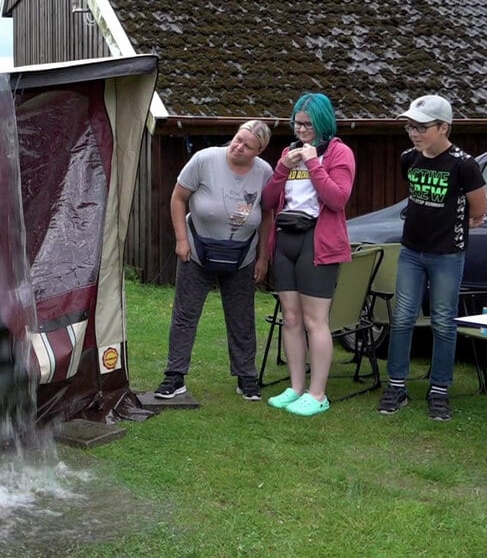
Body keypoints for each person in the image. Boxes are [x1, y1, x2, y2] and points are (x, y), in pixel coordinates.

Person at [377, 95, 487, 421]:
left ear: (443, 127)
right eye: (411, 126)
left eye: (422, 127)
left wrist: (447, 229)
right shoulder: (409, 158)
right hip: (411, 251)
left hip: (447, 256)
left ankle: (439, 390)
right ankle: (396, 387)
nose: (414, 132)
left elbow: (479, 211)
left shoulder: (463, 165)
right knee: (403, 317)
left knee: (442, 321)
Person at [154, 120, 273, 402]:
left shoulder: (264, 173)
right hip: (197, 250)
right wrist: (181, 240)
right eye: (237, 139)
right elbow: (178, 197)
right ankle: (174, 375)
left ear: (259, 151)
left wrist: (263, 257)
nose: (238, 147)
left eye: (248, 146)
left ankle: (246, 378)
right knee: (185, 314)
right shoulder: (204, 159)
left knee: (242, 318)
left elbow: (267, 216)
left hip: (242, 255)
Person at [262, 93, 355, 416]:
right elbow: (269, 199)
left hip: (319, 241)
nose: (301, 130)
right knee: (290, 318)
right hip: (286, 238)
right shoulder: (289, 152)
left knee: (315, 320)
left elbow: (337, 199)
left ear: (323, 123)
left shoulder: (340, 152)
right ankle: (296, 387)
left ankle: (318, 394)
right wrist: (282, 169)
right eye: (297, 124)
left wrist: (313, 162)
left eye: (308, 125)